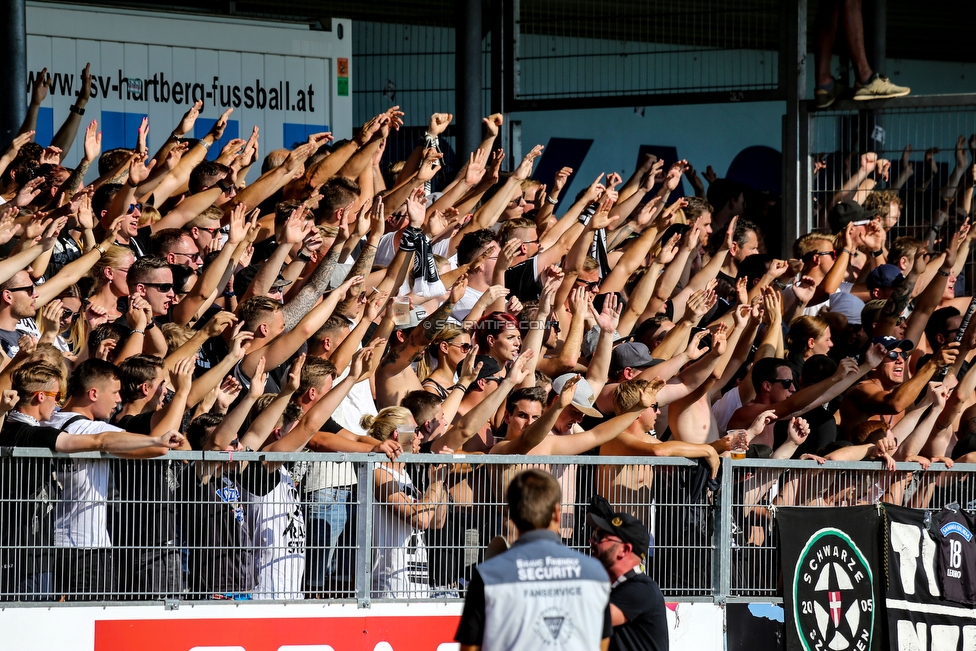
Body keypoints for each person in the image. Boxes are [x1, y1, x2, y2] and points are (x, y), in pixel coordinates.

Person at [455, 468, 612, 651]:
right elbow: (602, 645)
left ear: (512, 515)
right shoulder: (595, 573)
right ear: (557, 512)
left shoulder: (488, 575)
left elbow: (470, 647)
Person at [588, 495, 670, 651]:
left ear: (624, 550)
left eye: (600, 537)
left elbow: (590, 619)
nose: (591, 542)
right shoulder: (611, 587)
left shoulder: (641, 590)